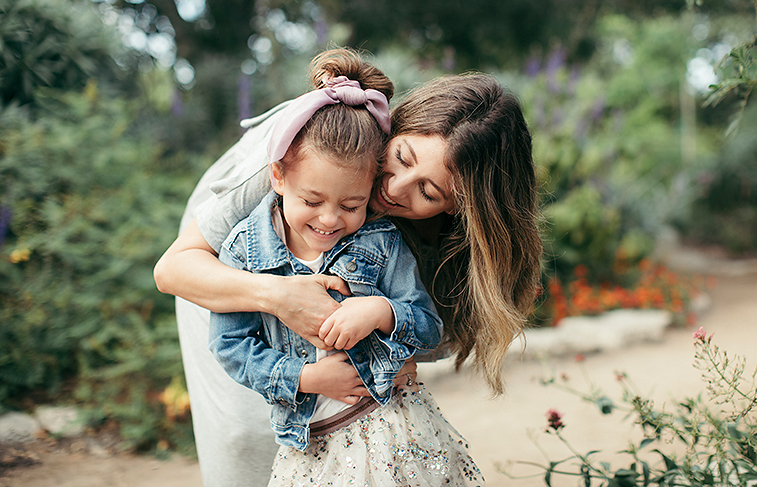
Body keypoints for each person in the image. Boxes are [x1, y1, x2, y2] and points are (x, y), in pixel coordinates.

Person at [154, 48, 542, 486]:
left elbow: (438, 329)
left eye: (429, 193)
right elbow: (173, 270)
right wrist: (282, 298)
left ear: (458, 212)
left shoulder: (420, 240)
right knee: (249, 435)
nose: (394, 189)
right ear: (395, 128)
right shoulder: (301, 160)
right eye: (401, 158)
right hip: (218, 262)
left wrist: (390, 340)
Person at [208, 73, 483, 484]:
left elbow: (429, 328)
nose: (329, 219)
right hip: (312, 442)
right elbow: (229, 343)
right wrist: (304, 377)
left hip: (391, 428)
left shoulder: (381, 240)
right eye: (312, 201)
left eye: (352, 204)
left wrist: (381, 312)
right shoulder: (246, 248)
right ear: (278, 177)